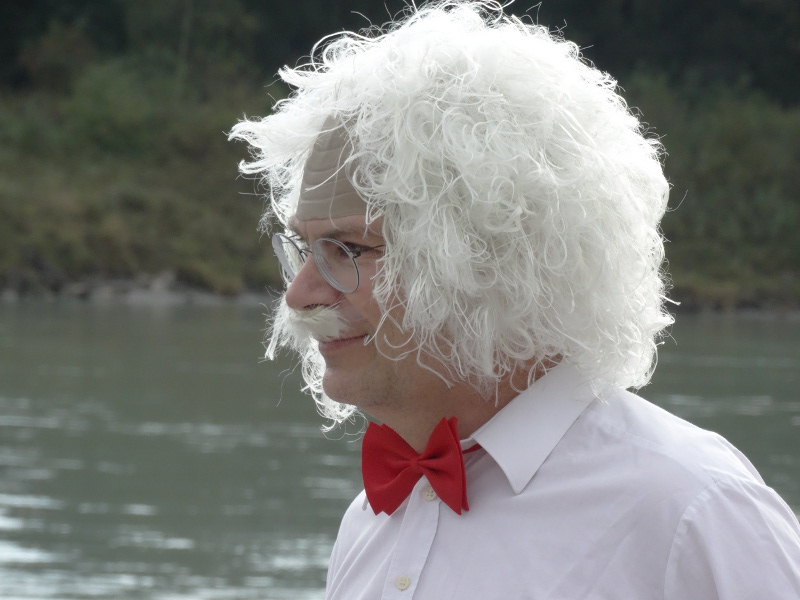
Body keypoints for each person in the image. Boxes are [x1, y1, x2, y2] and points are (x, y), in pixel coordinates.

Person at [230, 1, 800, 597]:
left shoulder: (689, 510)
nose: (299, 294)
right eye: (304, 248)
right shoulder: (371, 524)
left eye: (349, 248)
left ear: (496, 258)